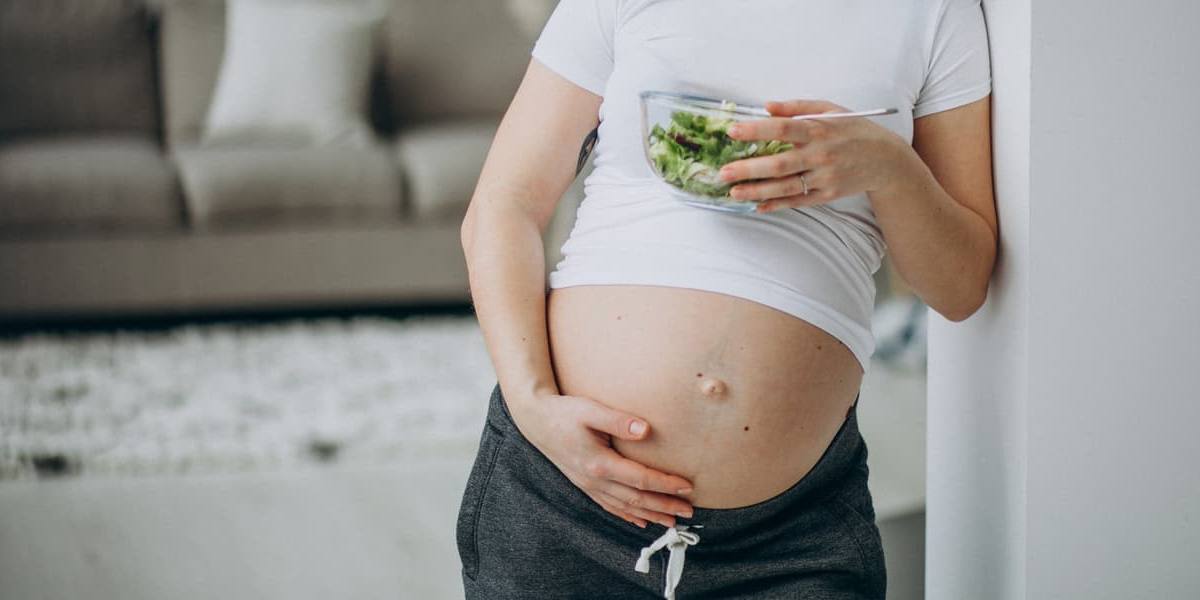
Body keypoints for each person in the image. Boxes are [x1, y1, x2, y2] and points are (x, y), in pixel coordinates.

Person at [457, 0, 996, 597]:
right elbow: (502, 206)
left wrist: (890, 167)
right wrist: (531, 404)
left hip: (791, 541)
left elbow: (960, 286)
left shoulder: (937, 13)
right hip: (561, 494)